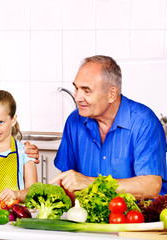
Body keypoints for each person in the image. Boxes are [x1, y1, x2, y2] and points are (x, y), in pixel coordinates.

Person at [51, 55, 167, 200]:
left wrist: (91, 183)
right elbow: (68, 182)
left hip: (141, 219)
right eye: (76, 88)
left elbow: (151, 186)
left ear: (112, 94)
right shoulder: (74, 121)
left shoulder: (144, 122)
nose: (78, 97)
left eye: (86, 91)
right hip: (91, 219)